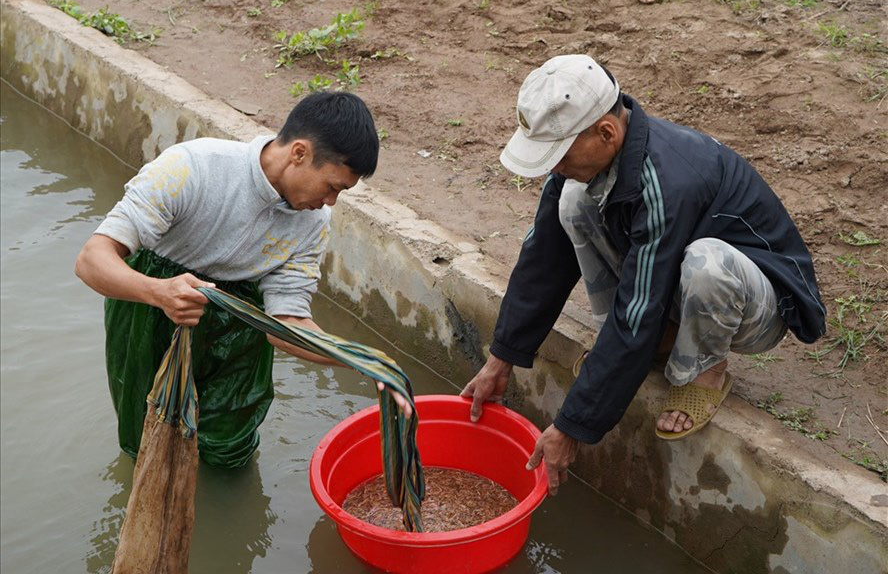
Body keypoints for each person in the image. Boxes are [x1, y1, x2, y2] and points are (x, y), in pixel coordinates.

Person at [460, 54, 826, 495]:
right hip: (674, 280)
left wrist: (572, 425)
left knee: (706, 262)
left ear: (607, 132)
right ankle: (658, 342)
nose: (553, 167)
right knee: (572, 203)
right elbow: (543, 259)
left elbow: (637, 310)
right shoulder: (587, 161)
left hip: (754, 300)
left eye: (557, 154)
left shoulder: (668, 183)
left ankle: (705, 369)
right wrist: (502, 357)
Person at [76, 91, 407, 469]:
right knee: (149, 435)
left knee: (230, 447)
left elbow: (287, 322)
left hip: (240, 318)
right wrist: (160, 292)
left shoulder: (312, 223)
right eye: (332, 187)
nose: (331, 201)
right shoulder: (193, 167)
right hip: (151, 302)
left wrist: (359, 359)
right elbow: (92, 259)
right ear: (299, 153)